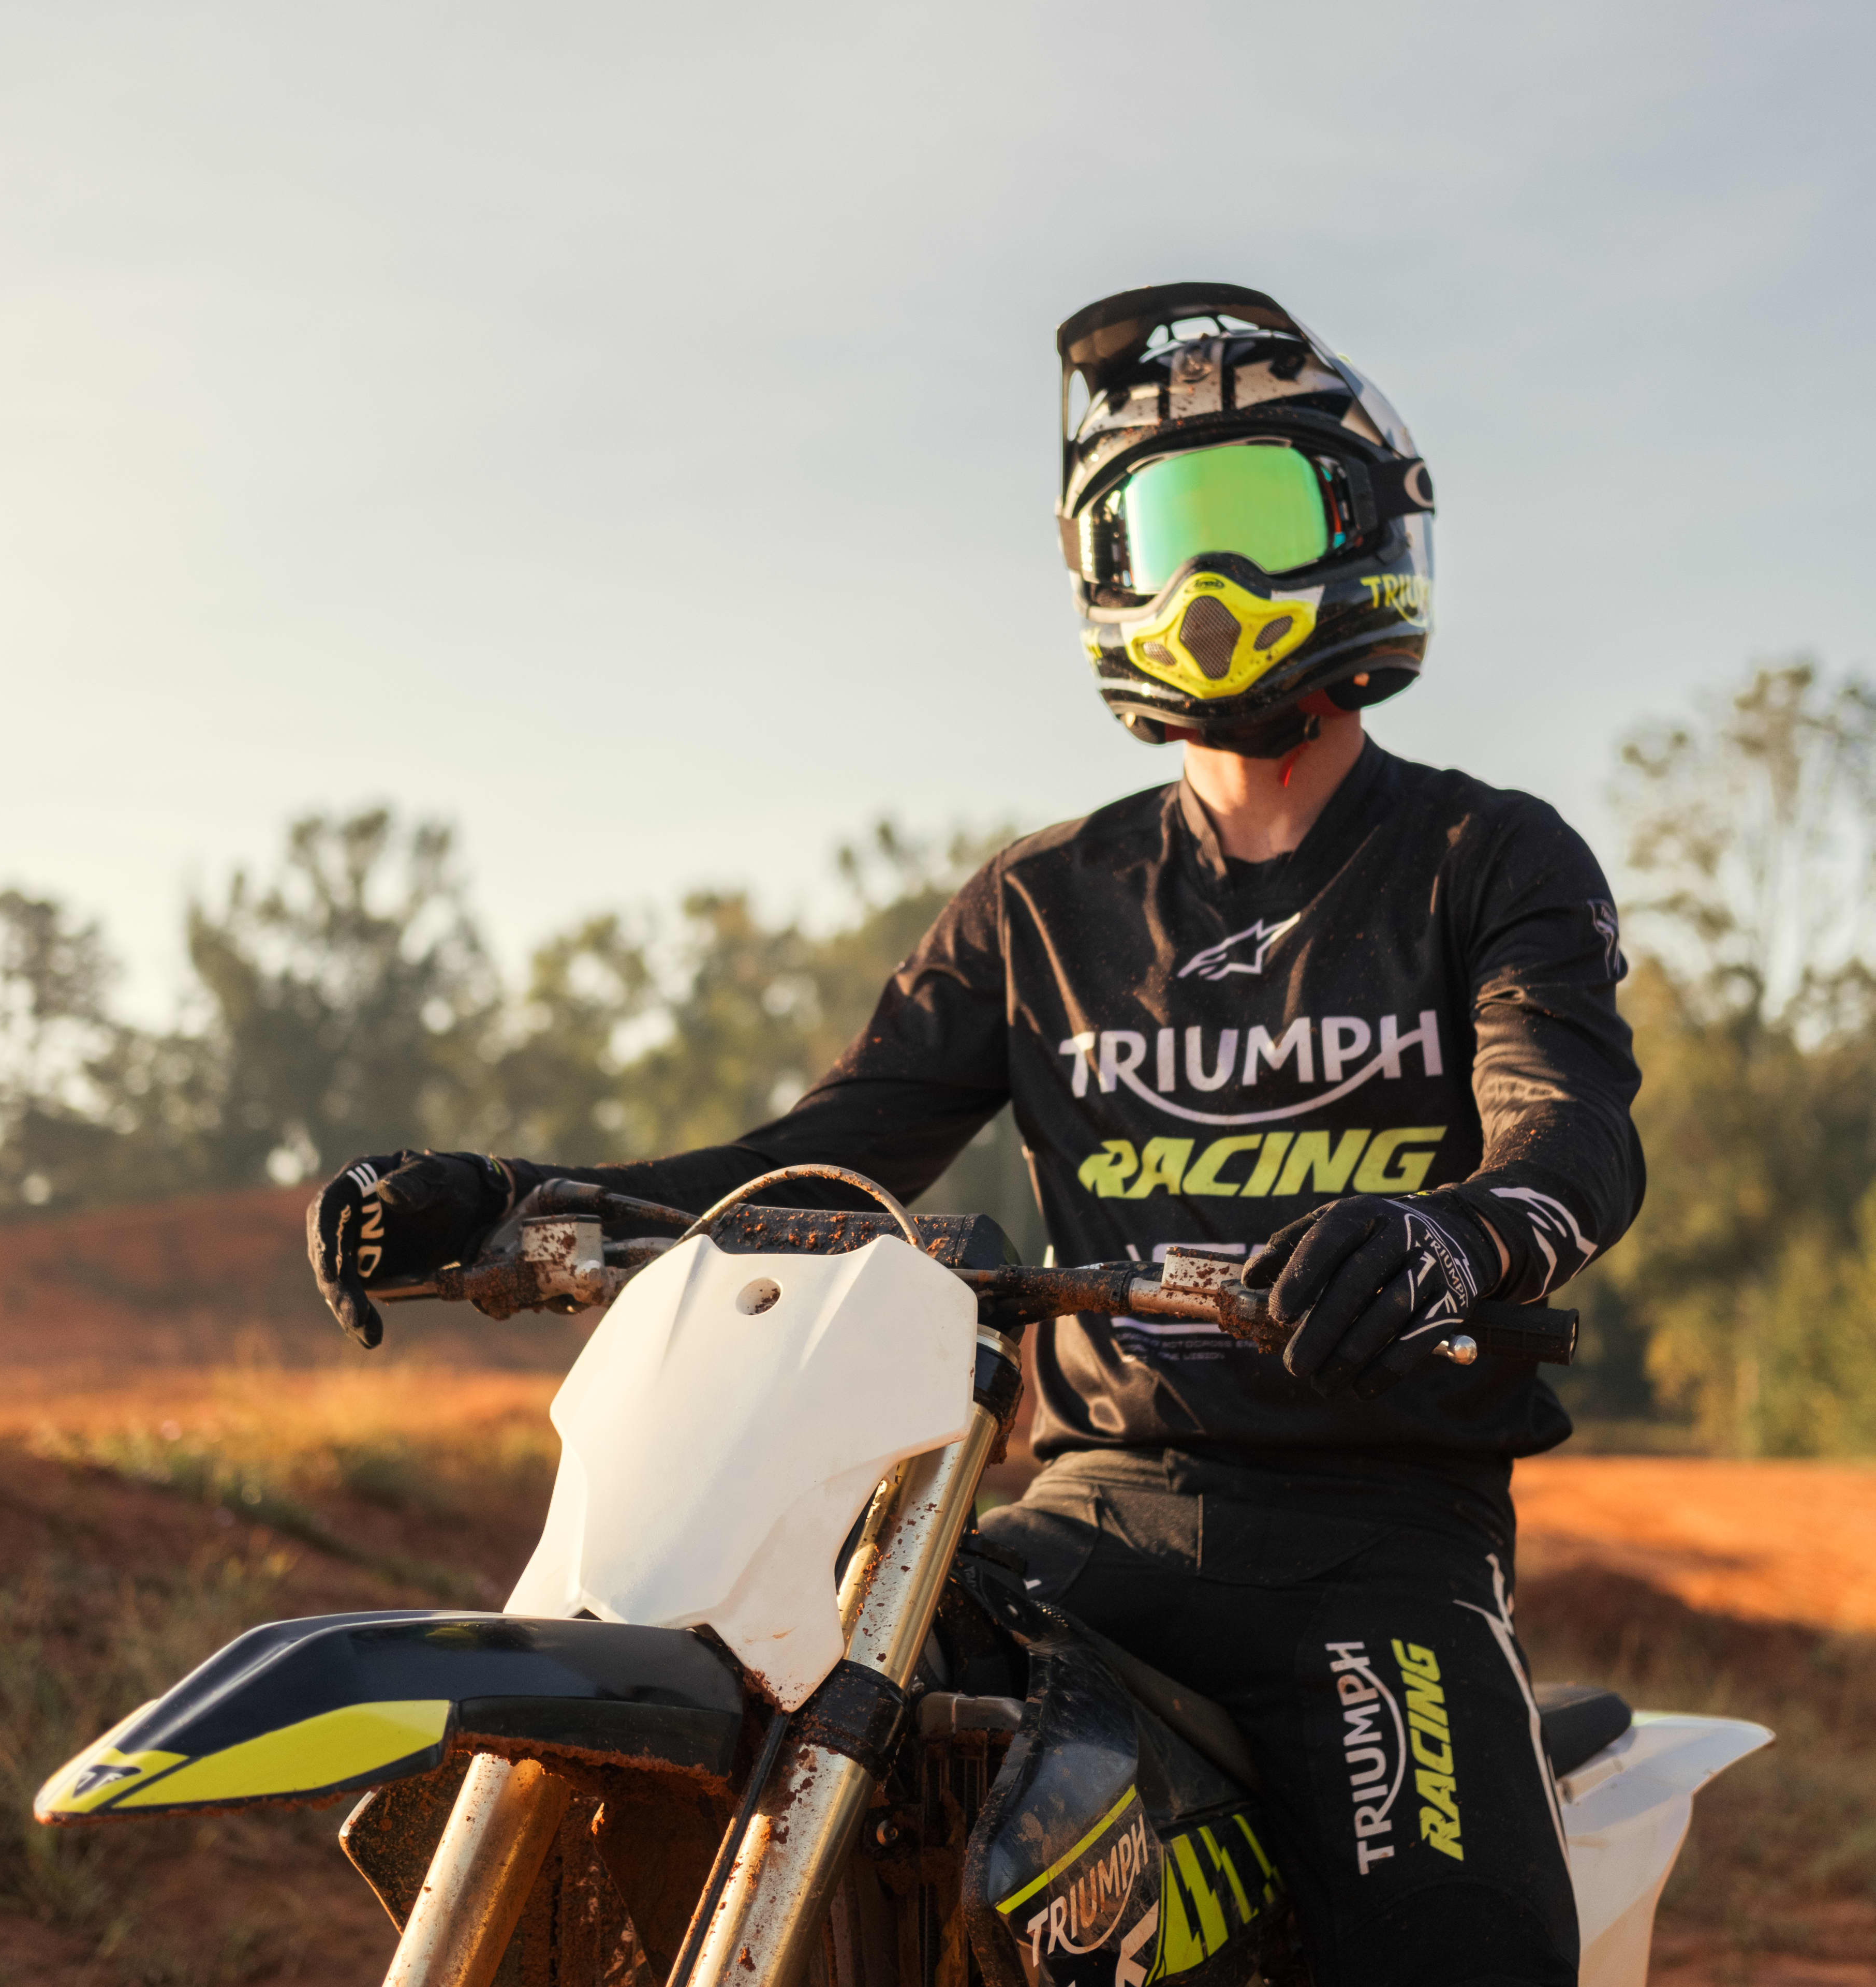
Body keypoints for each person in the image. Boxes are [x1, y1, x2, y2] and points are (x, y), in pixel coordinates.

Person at [307, 282, 1641, 1987]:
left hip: (1376, 1545)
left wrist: (1456, 1233)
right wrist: (512, 1200)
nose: (1204, 584)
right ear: (1102, 571)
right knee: (766, 1723)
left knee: (1463, 1952)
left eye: (1248, 520)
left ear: (1366, 527)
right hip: (1077, 1523)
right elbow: (817, 1165)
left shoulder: (1486, 856)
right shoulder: (1038, 902)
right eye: (1161, 532)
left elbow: (1571, 1135)